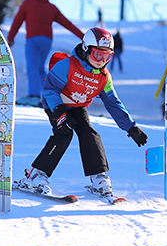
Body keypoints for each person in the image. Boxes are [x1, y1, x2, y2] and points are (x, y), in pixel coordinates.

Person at [17, 27, 149, 199]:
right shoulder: (67, 65)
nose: (101, 61)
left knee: (89, 133)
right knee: (64, 134)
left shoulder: (103, 77)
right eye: (97, 55)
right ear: (86, 49)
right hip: (56, 104)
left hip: (78, 106)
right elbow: (49, 90)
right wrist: (60, 113)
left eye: (107, 56)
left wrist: (130, 127)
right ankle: (36, 175)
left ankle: (98, 178)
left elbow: (113, 103)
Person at [7, 0, 84, 107]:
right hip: (47, 40)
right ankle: (49, 96)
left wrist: (10, 39)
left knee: (32, 67)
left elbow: (17, 22)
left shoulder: (28, 3)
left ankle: (33, 96)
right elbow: (67, 24)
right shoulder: (51, 8)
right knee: (40, 69)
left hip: (33, 39)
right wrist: (83, 37)